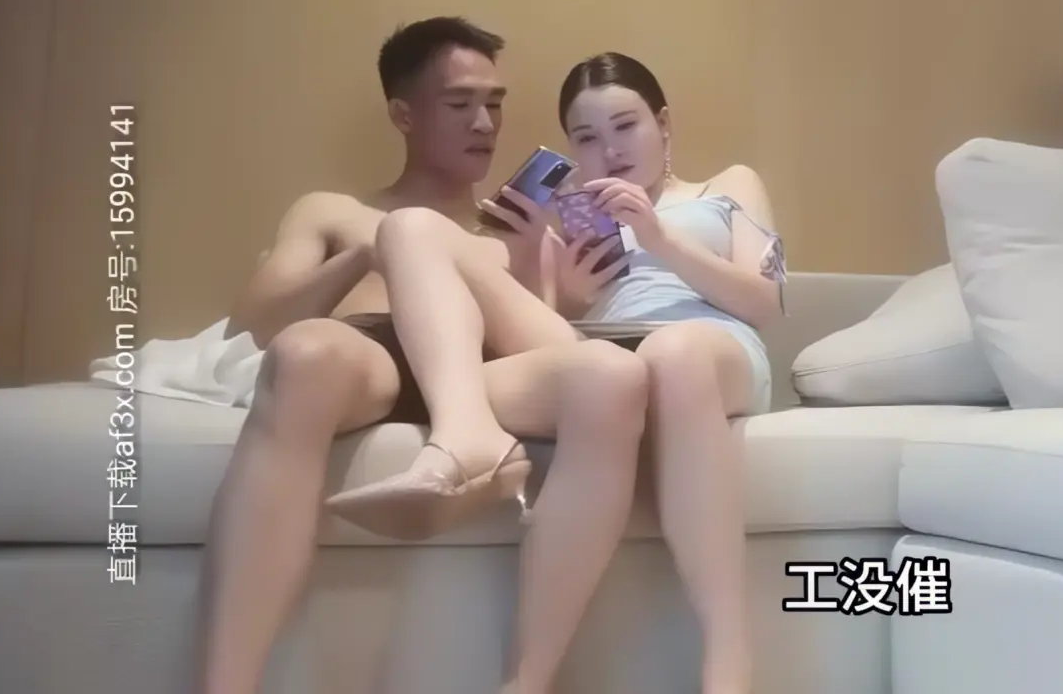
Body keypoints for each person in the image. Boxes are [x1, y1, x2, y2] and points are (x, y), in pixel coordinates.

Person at [326, 50, 786, 694]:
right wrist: (563, 289)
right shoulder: (565, 218)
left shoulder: (727, 188)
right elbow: (544, 335)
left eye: (625, 126)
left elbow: (766, 303)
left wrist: (660, 239)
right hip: (601, 352)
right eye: (586, 138)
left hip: (709, 344)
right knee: (410, 227)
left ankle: (728, 668)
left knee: (672, 353)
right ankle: (465, 439)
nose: (610, 150)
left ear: (662, 125)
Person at [197, 17, 612, 694]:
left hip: (487, 371)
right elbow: (253, 326)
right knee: (304, 354)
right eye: (460, 104)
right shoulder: (334, 212)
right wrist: (371, 250)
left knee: (601, 374)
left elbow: (546, 344)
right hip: (370, 357)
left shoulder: (513, 229)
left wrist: (553, 282)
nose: (484, 123)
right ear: (403, 114)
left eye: (495, 104)